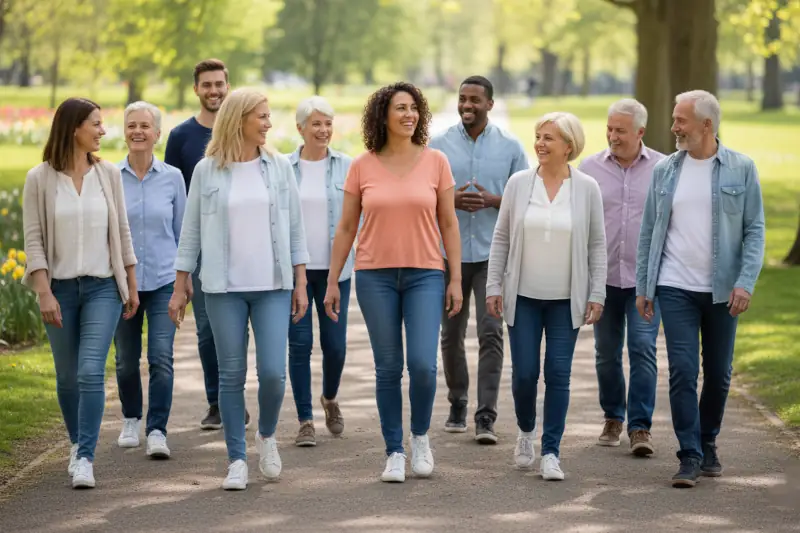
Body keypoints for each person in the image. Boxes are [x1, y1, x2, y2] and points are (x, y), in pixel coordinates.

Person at [169, 88, 309, 491]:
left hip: (272, 286)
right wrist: (180, 288)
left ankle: (266, 436)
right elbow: (190, 233)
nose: (268, 123)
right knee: (231, 375)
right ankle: (235, 458)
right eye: (261, 116)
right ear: (239, 119)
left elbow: (295, 231)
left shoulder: (280, 167)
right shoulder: (206, 170)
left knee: (272, 373)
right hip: (222, 288)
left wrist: (300, 282)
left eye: (267, 116)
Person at [323, 82, 463, 483]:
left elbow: (449, 223)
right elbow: (347, 226)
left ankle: (419, 437)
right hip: (374, 277)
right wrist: (333, 280)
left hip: (425, 274)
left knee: (422, 364)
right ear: (382, 115)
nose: (409, 114)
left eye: (414, 108)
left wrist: (454, 277)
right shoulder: (362, 165)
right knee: (388, 368)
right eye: (401, 108)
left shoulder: (436, 161)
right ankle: (394, 451)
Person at [636, 90, 765, 488]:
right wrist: (646, 286)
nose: (673, 127)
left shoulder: (741, 168)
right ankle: (689, 453)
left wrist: (745, 282)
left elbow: (754, 229)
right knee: (683, 370)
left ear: (706, 125)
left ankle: (708, 441)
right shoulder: (665, 170)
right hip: (675, 286)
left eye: (681, 121)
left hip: (723, 290)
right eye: (675, 119)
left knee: (720, 374)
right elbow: (648, 232)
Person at [22, 97, 139, 489]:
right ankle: (75, 443)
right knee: (68, 376)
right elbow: (34, 239)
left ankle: (85, 456)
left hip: (103, 287)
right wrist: (43, 291)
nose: (103, 131)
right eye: (96, 124)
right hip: (59, 290)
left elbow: (122, 232)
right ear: (74, 128)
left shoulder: (108, 175)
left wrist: (130, 284)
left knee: (91, 371)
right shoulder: (39, 178)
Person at [486, 112, 607, 481]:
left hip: (564, 300)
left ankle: (551, 450)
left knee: (558, 373)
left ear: (568, 146)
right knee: (524, 375)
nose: (539, 143)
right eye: (538, 136)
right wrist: (494, 286)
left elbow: (597, 244)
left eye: (548, 138)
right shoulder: (519, 184)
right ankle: (526, 431)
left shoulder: (587, 188)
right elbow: (502, 238)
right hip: (522, 296)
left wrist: (597, 292)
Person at [429, 75, 528, 443]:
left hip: (491, 254)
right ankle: (458, 400)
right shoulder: (437, 147)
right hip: (448, 254)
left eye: (474, 100)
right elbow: (423, 194)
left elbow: (527, 197)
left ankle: (486, 416)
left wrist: (494, 201)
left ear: (489, 103)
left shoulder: (511, 148)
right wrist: (450, 201)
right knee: (450, 333)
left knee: (491, 331)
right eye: (462, 99)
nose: (466, 105)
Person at [164, 58, 250, 429]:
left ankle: (236, 396)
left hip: (244, 247)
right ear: (196, 89)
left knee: (239, 327)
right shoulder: (181, 138)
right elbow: (171, 195)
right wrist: (180, 266)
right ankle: (216, 401)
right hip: (201, 252)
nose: (214, 91)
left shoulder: (245, 131)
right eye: (207, 85)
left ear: (228, 86)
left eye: (219, 84)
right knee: (206, 330)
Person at [578, 98, 665, 455]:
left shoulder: (663, 168)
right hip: (604, 279)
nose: (613, 136)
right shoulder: (589, 169)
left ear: (640, 132)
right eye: (610, 129)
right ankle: (614, 415)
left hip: (645, 281)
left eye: (621, 131)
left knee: (643, 348)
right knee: (606, 352)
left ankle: (640, 427)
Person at [114, 101, 186, 459]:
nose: (138, 131)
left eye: (145, 125)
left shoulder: (173, 177)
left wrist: (182, 285)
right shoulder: (110, 177)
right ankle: (131, 418)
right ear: (124, 131)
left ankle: (157, 429)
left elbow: (183, 234)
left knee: (161, 357)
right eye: (131, 125)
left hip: (162, 282)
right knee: (126, 360)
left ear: (157, 133)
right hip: (121, 287)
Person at [286, 96, 353, 447]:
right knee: (299, 345)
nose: (323, 130)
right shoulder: (283, 168)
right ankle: (305, 420)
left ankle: (329, 398)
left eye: (327, 123)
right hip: (295, 270)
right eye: (315, 123)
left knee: (335, 346)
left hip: (335, 272)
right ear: (300, 128)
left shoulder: (347, 166)